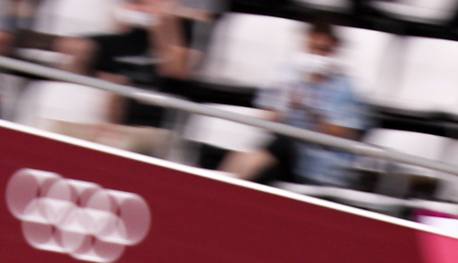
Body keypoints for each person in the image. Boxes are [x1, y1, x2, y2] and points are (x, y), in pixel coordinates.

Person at [222, 21, 368, 188]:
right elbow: (266, 120)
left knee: (277, 148)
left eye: (324, 51)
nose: (317, 55)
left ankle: (224, 189)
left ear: (335, 53)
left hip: (318, 163)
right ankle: (222, 186)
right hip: (281, 156)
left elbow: (342, 134)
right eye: (313, 48)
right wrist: (286, 104)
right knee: (258, 153)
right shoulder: (287, 76)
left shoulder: (346, 89)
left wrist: (310, 110)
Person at [57, 0, 193, 155]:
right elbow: (70, 48)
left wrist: (164, 25)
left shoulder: (184, 31)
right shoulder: (114, 42)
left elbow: (176, 70)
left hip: (155, 127)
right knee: (53, 129)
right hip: (108, 123)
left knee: (115, 144)